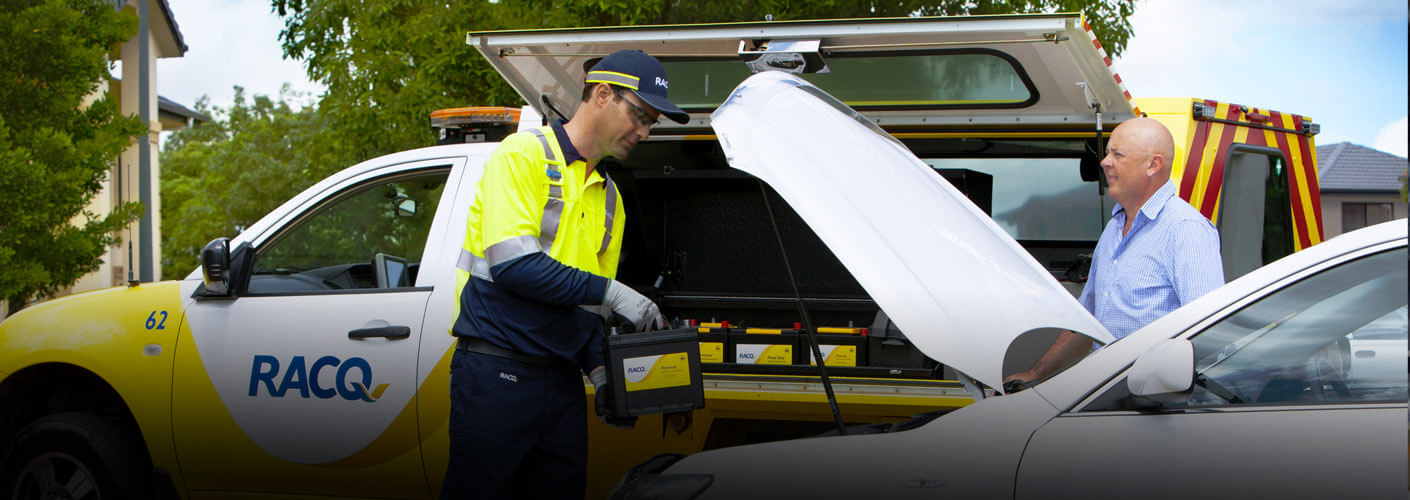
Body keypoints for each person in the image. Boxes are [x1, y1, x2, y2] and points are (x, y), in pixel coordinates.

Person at [442, 50, 689, 499]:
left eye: (651, 123)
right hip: (498, 370)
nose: (645, 132)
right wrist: (615, 292)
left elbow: (589, 310)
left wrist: (600, 374)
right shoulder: (523, 155)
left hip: (561, 385)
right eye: (640, 116)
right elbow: (514, 266)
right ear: (602, 95)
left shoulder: (610, 199)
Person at [1004, 117, 1224, 389]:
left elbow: (1209, 331)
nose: (1104, 162)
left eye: (1117, 155)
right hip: (1105, 393)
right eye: (1107, 153)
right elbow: (1088, 320)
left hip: (1154, 398)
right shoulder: (1114, 227)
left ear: (1153, 165)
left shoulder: (1186, 229)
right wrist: (1036, 373)